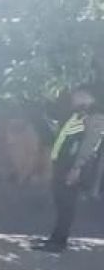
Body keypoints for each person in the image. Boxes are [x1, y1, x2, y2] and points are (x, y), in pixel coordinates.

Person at [34, 86, 104, 253]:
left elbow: (90, 144)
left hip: (72, 167)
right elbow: (64, 137)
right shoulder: (77, 115)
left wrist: (77, 167)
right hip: (62, 164)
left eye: (76, 96)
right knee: (60, 203)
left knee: (66, 205)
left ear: (86, 96)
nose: (72, 99)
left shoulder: (96, 116)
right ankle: (55, 238)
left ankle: (58, 241)